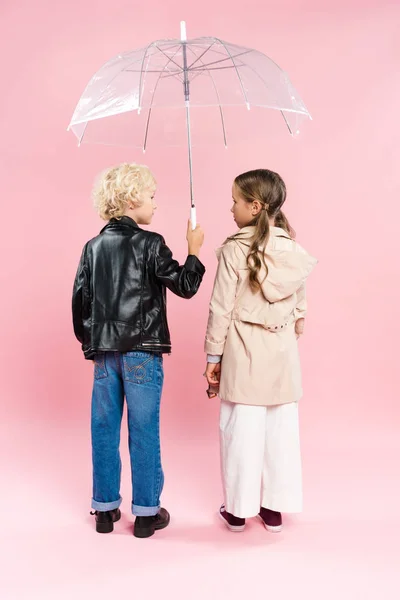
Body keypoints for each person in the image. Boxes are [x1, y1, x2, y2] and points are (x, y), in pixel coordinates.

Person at [72, 163, 205, 538]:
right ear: (132, 199)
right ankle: (146, 512)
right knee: (143, 429)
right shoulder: (151, 243)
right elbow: (185, 285)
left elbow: (80, 302)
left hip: (104, 353)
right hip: (142, 352)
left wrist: (93, 345)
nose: (155, 205)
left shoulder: (92, 247)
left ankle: (104, 508)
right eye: (151, 196)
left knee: (104, 428)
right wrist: (193, 250)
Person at [204, 169, 317, 532]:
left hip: (242, 349)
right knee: (281, 430)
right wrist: (285, 334)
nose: (230, 208)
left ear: (254, 207)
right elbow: (299, 307)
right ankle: (274, 510)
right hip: (281, 350)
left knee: (241, 428)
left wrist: (213, 357)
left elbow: (220, 307)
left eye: (235, 201)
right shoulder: (293, 251)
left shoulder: (235, 249)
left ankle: (238, 510)